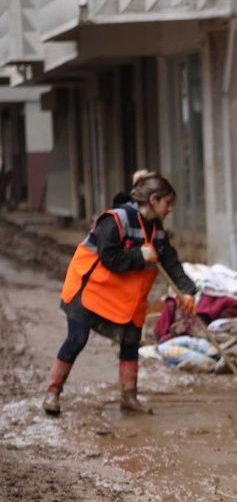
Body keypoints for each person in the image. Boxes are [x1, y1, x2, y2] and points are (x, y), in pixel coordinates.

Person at [44, 170, 197, 416]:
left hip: (124, 298)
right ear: (153, 200)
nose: (170, 209)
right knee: (76, 339)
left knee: (130, 341)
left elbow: (172, 265)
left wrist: (187, 292)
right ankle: (53, 392)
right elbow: (109, 257)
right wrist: (140, 255)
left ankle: (129, 396)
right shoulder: (115, 220)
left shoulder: (158, 232)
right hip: (90, 290)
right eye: (168, 203)